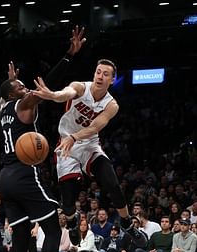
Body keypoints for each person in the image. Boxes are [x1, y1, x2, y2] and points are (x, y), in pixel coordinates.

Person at [0, 26, 85, 252]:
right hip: (24, 174)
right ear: (16, 94)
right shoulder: (23, 104)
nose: (26, 88)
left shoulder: (2, 109)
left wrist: (10, 81)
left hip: (5, 177)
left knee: (22, 234)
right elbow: (45, 86)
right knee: (51, 227)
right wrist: (69, 57)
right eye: (21, 86)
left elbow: (2, 96)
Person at [32, 59, 136, 239]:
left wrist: (75, 137)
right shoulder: (80, 88)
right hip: (66, 144)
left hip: (88, 143)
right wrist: (52, 95)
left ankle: (127, 222)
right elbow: (65, 94)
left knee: (112, 183)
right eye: (98, 72)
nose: (100, 76)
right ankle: (72, 221)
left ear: (112, 80)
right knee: (68, 201)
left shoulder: (112, 105)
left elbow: (95, 127)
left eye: (105, 74)